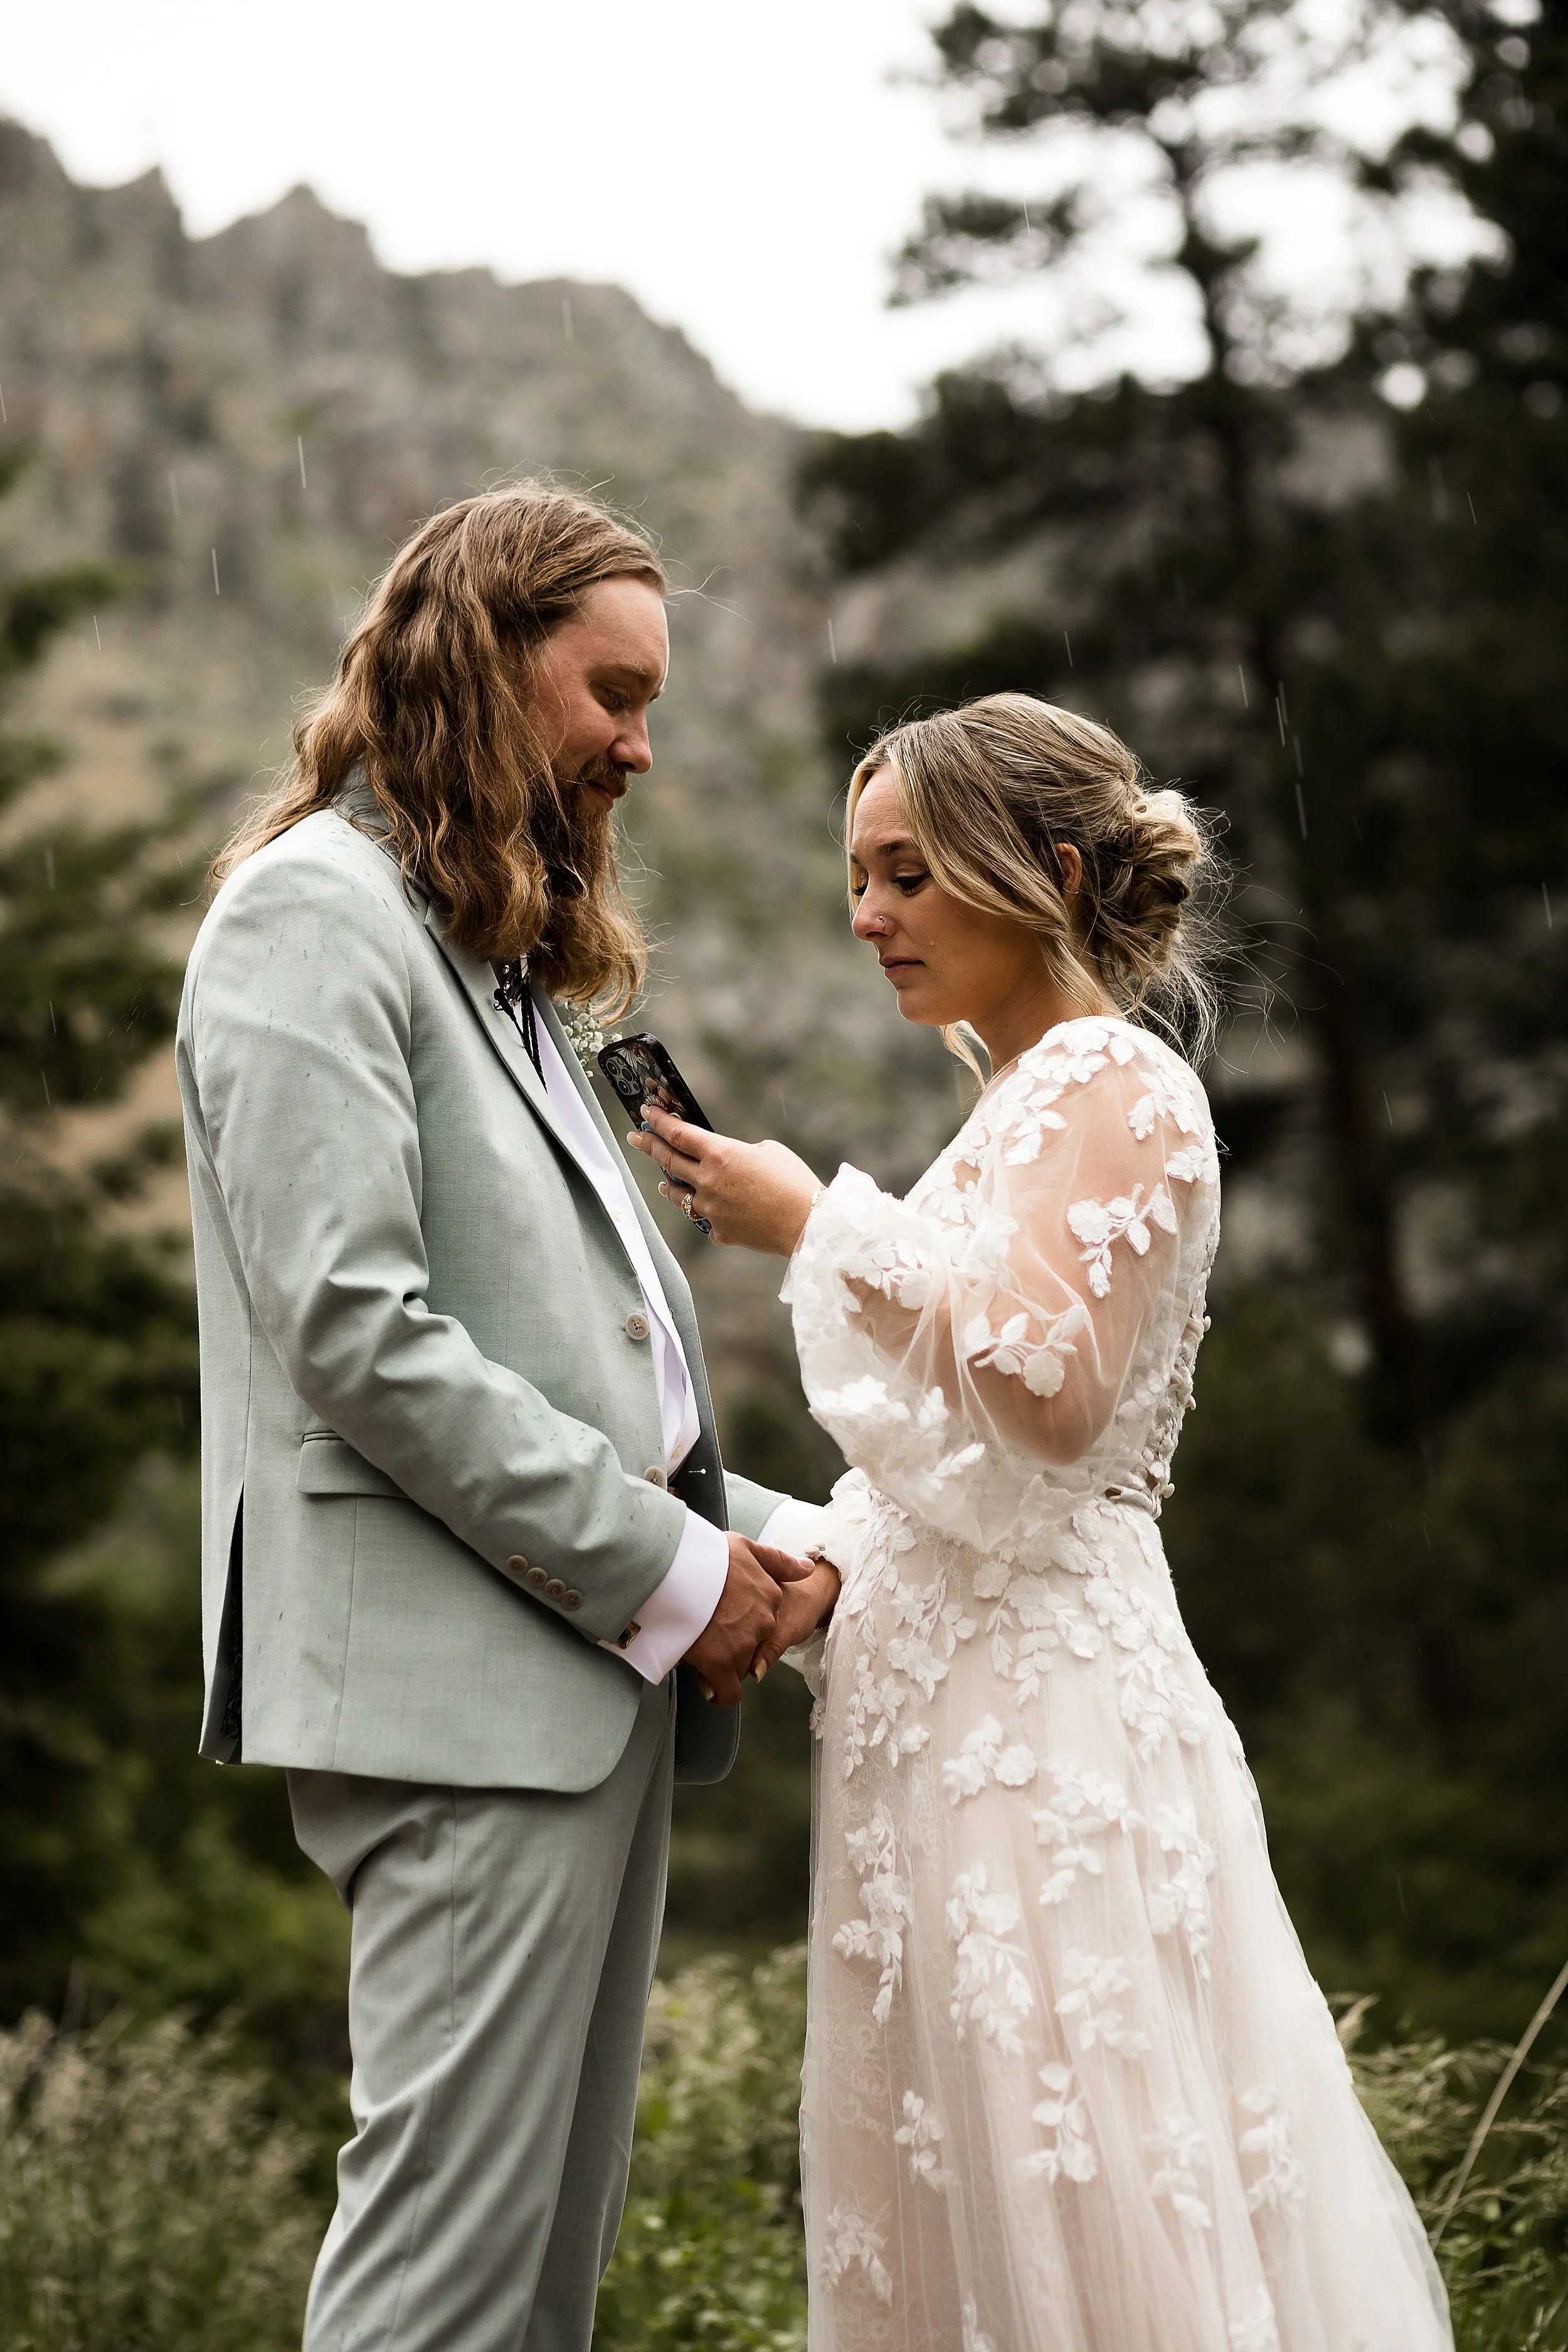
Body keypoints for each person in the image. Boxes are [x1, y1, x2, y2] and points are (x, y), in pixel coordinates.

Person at [632, 694, 1453, 2352]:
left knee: (1074, 2173)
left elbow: (1055, 1386)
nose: (866, 915)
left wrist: (817, 1220)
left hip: (1037, 1738)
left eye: (907, 874)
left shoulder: (1109, 1077)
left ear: (1047, 870)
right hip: (934, 1724)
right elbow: (966, 1472)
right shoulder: (1014, 1106)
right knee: (965, 2188)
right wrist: (826, 1576)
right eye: (857, 878)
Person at [175, 484, 825, 2352]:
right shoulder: (312, 914)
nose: (641, 742)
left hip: (573, 1682)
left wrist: (778, 1536)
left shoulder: (489, 956)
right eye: (610, 691)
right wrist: (674, 1569)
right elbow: (357, 1331)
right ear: (476, 661)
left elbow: (585, 1366)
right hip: (462, 1698)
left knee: (535, 2293)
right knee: (441, 2296)